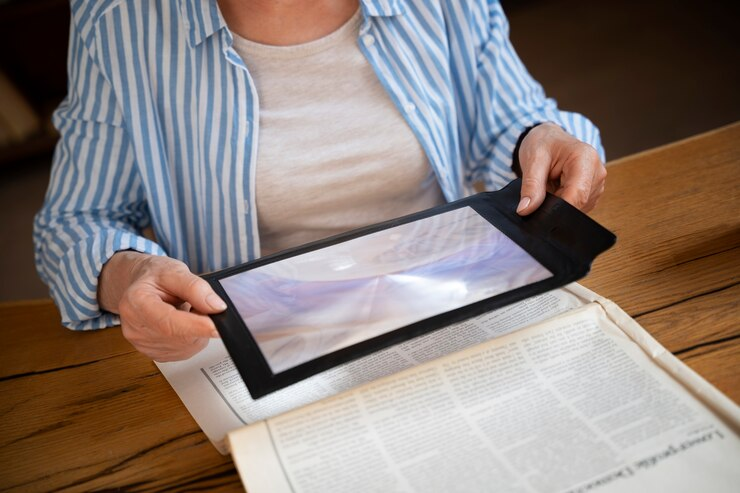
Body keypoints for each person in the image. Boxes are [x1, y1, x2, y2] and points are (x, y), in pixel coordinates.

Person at [34, 0, 606, 362]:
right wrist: (128, 275)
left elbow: (509, 121)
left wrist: (543, 140)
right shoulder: (118, 20)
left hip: (448, 303)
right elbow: (76, 222)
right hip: (254, 346)